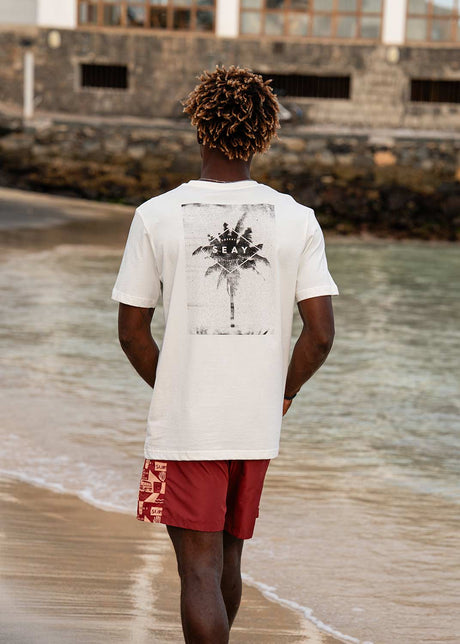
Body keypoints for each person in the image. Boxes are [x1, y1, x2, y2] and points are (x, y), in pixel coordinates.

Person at [111, 65, 339, 644]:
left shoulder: (155, 215)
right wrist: (282, 393)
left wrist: (179, 387)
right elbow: (319, 336)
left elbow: (133, 332)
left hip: (191, 427)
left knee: (199, 570)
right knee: (227, 563)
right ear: (264, 135)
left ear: (198, 127)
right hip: (255, 425)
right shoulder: (298, 219)